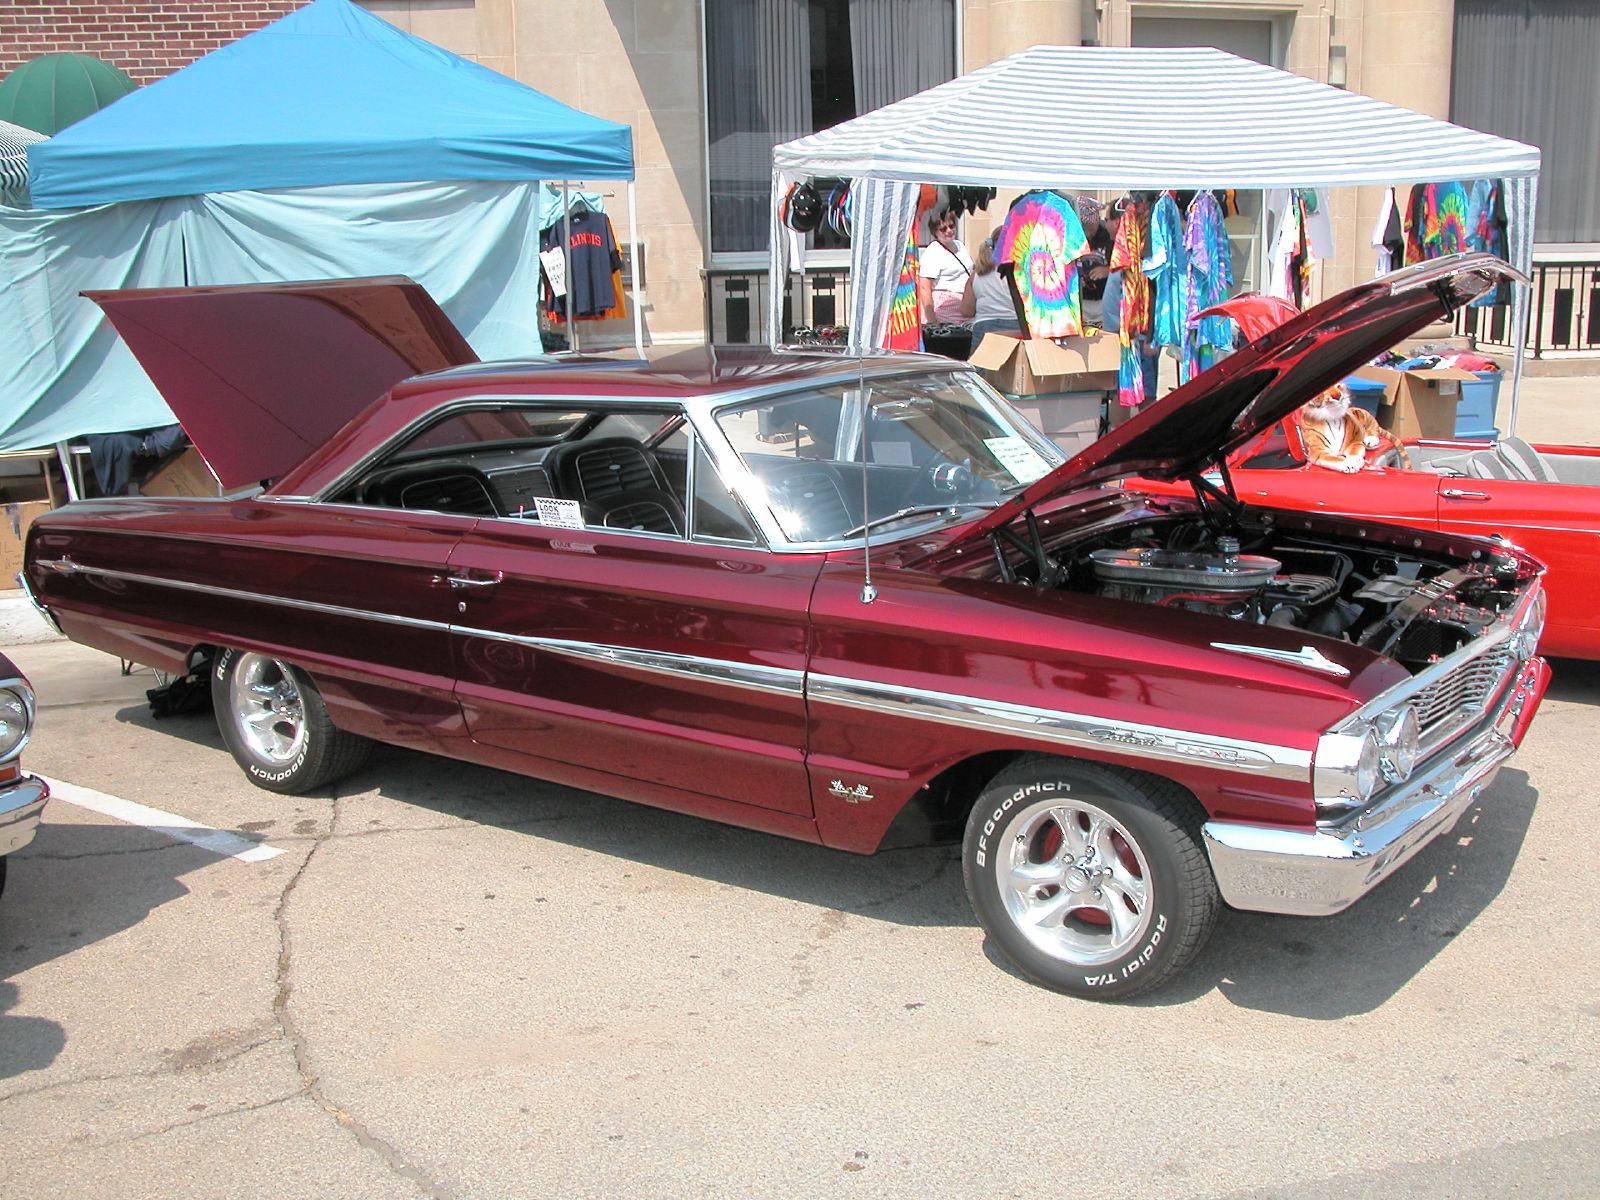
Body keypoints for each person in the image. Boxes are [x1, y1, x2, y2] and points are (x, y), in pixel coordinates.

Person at [1297, 384, 1412, 472]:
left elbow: (1355, 443)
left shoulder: (1349, 417)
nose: (1337, 394)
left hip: (1361, 425)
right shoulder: (1311, 424)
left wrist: (1355, 455)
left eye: (1338, 386)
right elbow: (1316, 455)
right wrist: (1341, 463)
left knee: (1361, 415)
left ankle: (1372, 432)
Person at [960, 226, 1021, 338]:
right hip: (1015, 327)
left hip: (984, 328)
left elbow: (966, 311)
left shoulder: (977, 274)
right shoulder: (1021, 273)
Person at [918, 208, 974, 326]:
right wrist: (931, 319)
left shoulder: (960, 245)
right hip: (945, 305)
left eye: (951, 226)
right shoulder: (933, 251)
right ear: (935, 232)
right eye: (943, 229)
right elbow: (924, 287)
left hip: (966, 303)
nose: (949, 231)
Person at [1075, 194, 1114, 327]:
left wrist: (1107, 270)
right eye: (1085, 230)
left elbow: (1124, 264)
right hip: (1082, 300)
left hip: (1103, 300)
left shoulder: (1108, 235)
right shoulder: (1074, 236)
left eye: (1091, 229)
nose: (1088, 234)